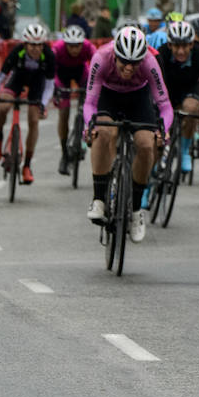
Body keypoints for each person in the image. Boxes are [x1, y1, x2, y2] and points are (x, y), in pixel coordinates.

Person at [83, 26, 174, 243]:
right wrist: (89, 126)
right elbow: (89, 103)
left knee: (146, 144)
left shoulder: (149, 63)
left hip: (138, 99)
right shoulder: (101, 57)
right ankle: (98, 199)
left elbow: (165, 105)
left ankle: (135, 210)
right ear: (115, 54)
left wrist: (164, 130)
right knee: (104, 132)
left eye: (134, 63)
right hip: (108, 96)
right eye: (124, 61)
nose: (129, 68)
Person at [0, 23, 56, 184]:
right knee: (3, 106)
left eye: (39, 45)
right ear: (25, 44)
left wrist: (43, 104)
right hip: (18, 78)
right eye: (32, 45)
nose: (35, 49)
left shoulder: (48, 56)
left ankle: (27, 165)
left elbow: (49, 86)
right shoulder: (17, 52)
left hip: (37, 83)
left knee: (34, 120)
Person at [156, 19, 199, 175]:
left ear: (191, 44)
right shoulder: (161, 54)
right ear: (170, 45)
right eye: (176, 46)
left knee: (191, 108)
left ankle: (185, 150)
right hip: (168, 90)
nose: (181, 51)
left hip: (190, 89)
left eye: (185, 46)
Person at [52, 25, 95, 175]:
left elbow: (98, 64)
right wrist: (54, 88)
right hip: (61, 76)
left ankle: (81, 138)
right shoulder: (57, 48)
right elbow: (50, 70)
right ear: (65, 44)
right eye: (71, 46)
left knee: (88, 104)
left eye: (78, 46)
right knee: (64, 114)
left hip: (81, 73)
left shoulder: (88, 47)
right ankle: (64, 154)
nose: (75, 50)